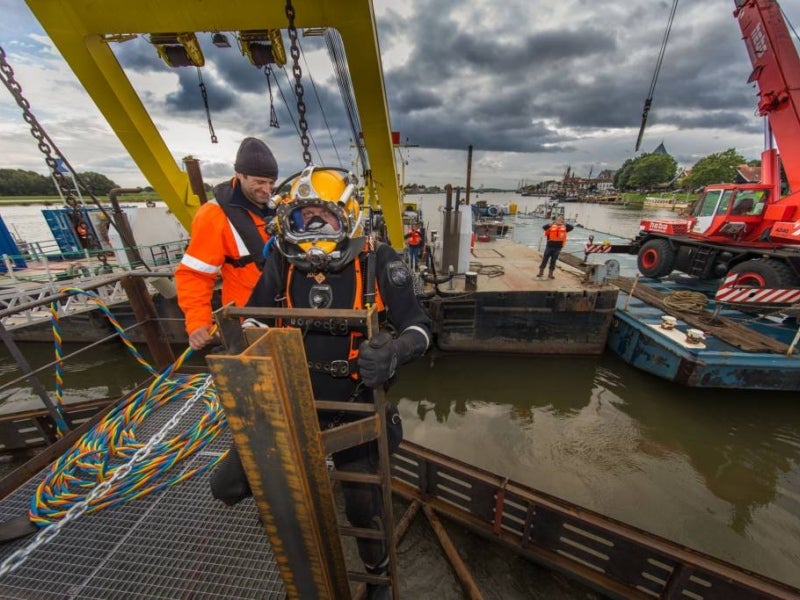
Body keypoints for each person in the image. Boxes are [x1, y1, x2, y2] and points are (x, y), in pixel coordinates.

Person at [209, 165, 432, 600]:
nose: (311, 229)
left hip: (356, 404)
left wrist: (393, 353)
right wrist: (244, 352)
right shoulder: (282, 262)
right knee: (229, 486)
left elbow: (420, 327)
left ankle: (377, 572)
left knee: (363, 507)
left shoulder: (379, 261)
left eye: (323, 219)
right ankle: (288, 531)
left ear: (347, 217)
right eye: (301, 219)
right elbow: (255, 315)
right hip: (291, 402)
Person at [174, 137, 278, 350]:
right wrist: (198, 323)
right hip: (247, 320)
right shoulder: (214, 216)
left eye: (271, 183)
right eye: (259, 182)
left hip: (287, 314)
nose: (267, 190)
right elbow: (194, 274)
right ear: (239, 175)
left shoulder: (282, 208)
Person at [538, 214, 573, 279]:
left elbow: (571, 228)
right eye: (558, 219)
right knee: (545, 259)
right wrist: (550, 224)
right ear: (555, 220)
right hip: (549, 247)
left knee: (553, 261)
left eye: (561, 219)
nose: (559, 220)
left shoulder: (564, 228)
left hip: (558, 248)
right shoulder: (551, 226)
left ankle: (550, 274)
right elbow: (544, 227)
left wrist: (565, 223)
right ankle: (541, 272)